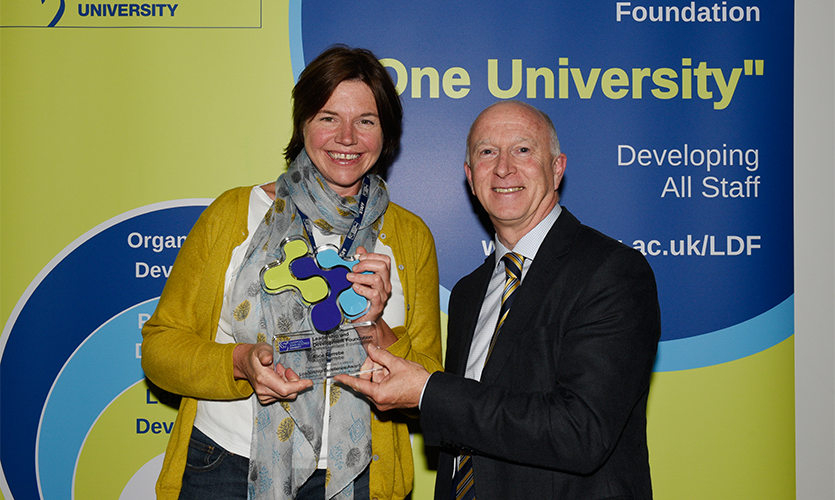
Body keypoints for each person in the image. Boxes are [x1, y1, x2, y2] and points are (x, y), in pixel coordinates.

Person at [141, 45, 443, 500]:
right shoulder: (234, 213)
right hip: (225, 465)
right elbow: (160, 347)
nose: (347, 137)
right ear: (303, 125)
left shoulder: (410, 237)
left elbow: (430, 387)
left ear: (386, 132)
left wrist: (373, 326)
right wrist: (239, 363)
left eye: (366, 120)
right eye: (327, 117)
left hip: (356, 476)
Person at [336, 100, 661, 499]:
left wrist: (427, 391)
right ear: (471, 178)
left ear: (557, 168)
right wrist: (371, 329)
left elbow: (581, 431)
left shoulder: (611, 272)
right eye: (487, 152)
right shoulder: (469, 292)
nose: (504, 167)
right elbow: (461, 414)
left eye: (523, 150)